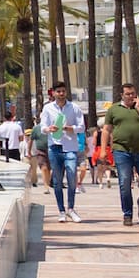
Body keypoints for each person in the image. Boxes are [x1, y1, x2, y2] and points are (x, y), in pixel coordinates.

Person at [103, 83, 139, 226]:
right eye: (128, 94)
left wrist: (138, 108)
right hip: (121, 150)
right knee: (124, 182)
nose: (131, 96)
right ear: (122, 95)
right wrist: (102, 149)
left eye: (133, 93)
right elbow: (106, 130)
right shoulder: (113, 109)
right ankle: (127, 214)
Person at [40, 82, 86, 222]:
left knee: (72, 175)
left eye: (63, 91)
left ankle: (71, 209)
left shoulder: (74, 107)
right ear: (53, 93)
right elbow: (42, 127)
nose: (61, 94)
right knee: (57, 181)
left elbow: (82, 127)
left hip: (70, 147)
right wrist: (49, 129)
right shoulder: (48, 108)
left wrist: (70, 128)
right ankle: (61, 211)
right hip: (54, 146)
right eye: (58, 91)